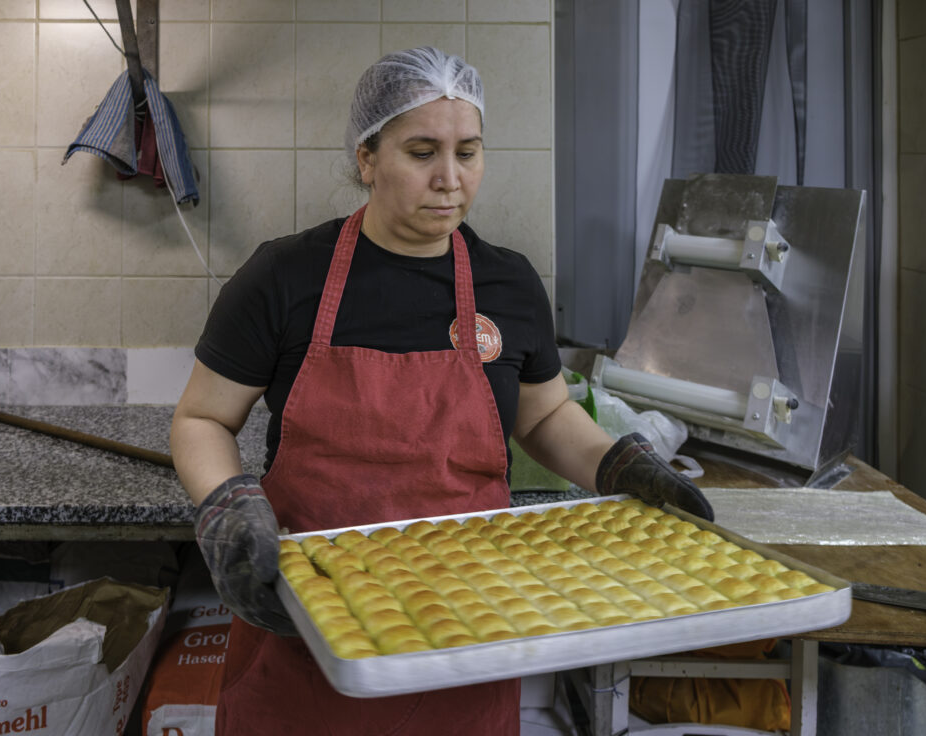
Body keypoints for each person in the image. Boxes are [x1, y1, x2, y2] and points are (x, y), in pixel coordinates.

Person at [170, 46, 712, 736]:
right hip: (311, 615)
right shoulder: (284, 277)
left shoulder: (509, 285)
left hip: (466, 623)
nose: (450, 179)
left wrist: (620, 466)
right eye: (422, 151)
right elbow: (200, 419)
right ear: (367, 158)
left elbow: (543, 413)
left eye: (468, 152)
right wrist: (230, 507)